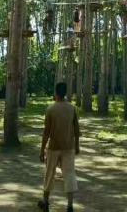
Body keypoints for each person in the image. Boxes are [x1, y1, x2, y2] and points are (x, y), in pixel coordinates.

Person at [39, 81, 80, 212]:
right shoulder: (72, 108)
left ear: (56, 93)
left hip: (54, 147)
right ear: (65, 93)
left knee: (49, 173)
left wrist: (42, 150)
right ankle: (70, 205)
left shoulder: (50, 109)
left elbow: (46, 132)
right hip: (68, 147)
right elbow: (76, 129)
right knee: (69, 174)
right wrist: (77, 145)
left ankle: (46, 201)